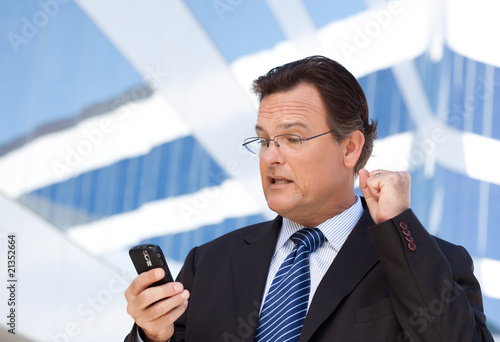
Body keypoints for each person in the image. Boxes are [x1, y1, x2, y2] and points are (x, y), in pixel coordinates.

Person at [124, 55, 494, 341]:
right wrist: (153, 335)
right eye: (265, 140)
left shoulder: (431, 261)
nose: (270, 156)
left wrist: (399, 228)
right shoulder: (209, 265)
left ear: (350, 148)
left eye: (293, 139)